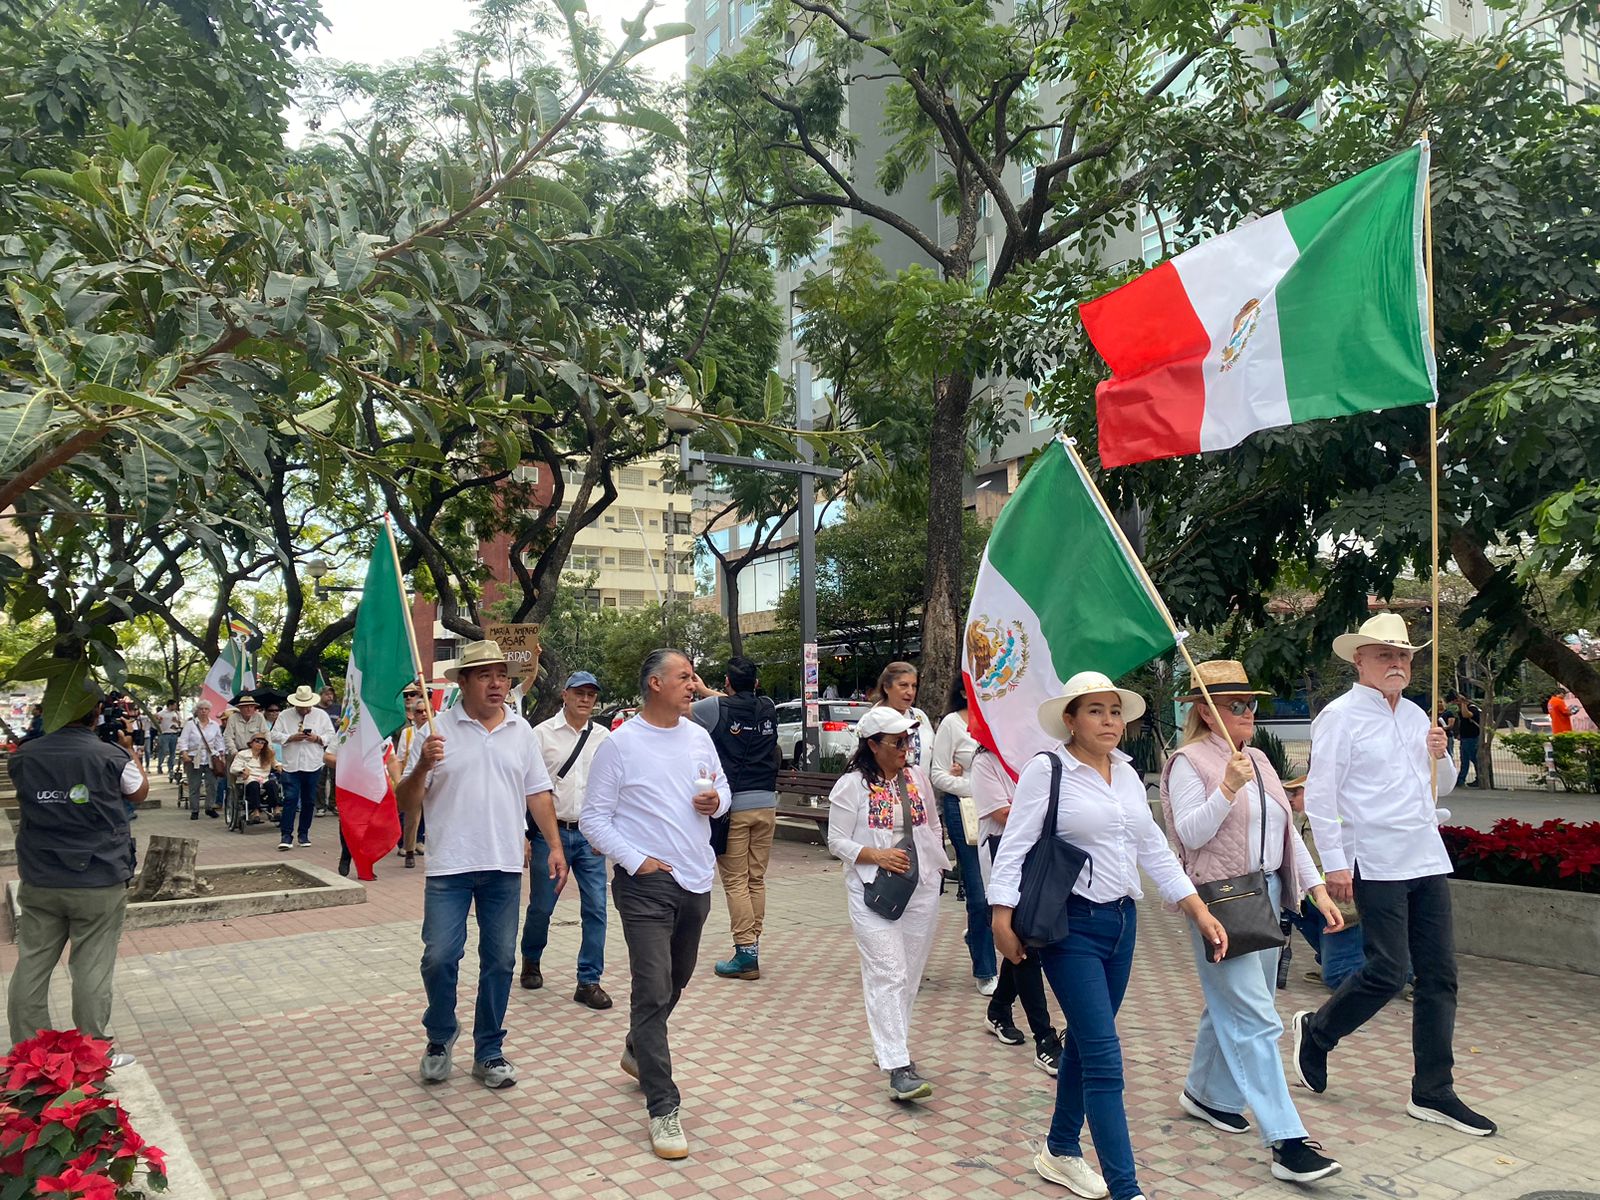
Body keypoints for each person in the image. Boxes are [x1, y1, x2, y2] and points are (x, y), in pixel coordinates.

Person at [989, 670, 1229, 1200]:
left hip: (1123, 925)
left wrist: (1196, 908)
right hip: (1069, 927)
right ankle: (1128, 1190)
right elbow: (1016, 844)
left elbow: (1154, 850)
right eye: (1095, 710)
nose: (1109, 721)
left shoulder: (1125, 773)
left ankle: (1059, 1149)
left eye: (1114, 710)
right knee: (1103, 1056)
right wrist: (1000, 915)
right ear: (1070, 720)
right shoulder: (1048, 771)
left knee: (1084, 1042)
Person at [1294, 614, 1495, 1137]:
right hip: (1376, 860)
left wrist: (1441, 754)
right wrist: (1334, 864)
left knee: (1439, 976)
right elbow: (1320, 794)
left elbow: (1440, 789)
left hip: (1425, 855)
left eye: (1403, 655)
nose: (1397, 663)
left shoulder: (1416, 717)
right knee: (1388, 970)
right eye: (1384, 654)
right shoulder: (1339, 716)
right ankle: (1317, 1033)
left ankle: (1433, 1090)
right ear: (1358, 660)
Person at [1160, 660, 1343, 1184]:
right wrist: (1226, 788)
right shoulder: (1187, 762)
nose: (1247, 713)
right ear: (1206, 711)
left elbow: (1285, 831)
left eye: (1251, 703)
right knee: (1257, 1016)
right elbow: (1190, 836)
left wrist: (1314, 889)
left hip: (1264, 895)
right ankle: (1286, 1139)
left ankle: (1205, 1093)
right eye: (1235, 704)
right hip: (1219, 900)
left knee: (1233, 1003)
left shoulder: (1259, 758)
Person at [396, 640, 567, 1091]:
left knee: (500, 960)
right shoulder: (437, 732)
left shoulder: (521, 731)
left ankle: (489, 1050)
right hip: (449, 866)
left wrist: (553, 845)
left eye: (503, 676)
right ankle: (439, 1037)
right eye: (486, 675)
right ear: (464, 683)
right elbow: (406, 801)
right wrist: (421, 768)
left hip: (504, 865)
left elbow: (537, 792)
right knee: (438, 957)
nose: (498, 684)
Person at [580, 649, 730, 1161]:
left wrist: (718, 802)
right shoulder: (619, 745)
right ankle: (663, 1107)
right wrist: (637, 860)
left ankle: (636, 1048)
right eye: (684, 677)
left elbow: (721, 788)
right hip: (645, 885)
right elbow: (594, 819)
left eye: (692, 677)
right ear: (654, 684)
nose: (693, 685)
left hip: (695, 878)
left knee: (677, 979)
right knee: (651, 988)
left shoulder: (698, 737)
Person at [8, 691, 147, 1067]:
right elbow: (138, 792)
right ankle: (93, 1052)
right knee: (91, 966)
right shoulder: (109, 755)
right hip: (98, 876)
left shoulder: (23, 755)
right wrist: (128, 748)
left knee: (33, 962)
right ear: (97, 712)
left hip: (40, 875)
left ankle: (27, 1052)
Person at [825, 707, 950, 1103]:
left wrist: (935, 866)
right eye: (897, 742)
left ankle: (892, 1048)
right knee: (888, 972)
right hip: (872, 889)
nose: (905, 748)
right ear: (873, 744)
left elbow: (932, 824)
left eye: (908, 740)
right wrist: (876, 856)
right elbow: (836, 841)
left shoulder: (915, 778)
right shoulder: (852, 786)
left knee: (908, 974)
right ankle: (898, 1065)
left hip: (922, 886)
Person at [522, 671, 613, 1009]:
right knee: (542, 906)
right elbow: (526, 788)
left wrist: (608, 830)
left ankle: (588, 980)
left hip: (590, 834)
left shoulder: (604, 737)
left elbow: (612, 788)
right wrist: (525, 834)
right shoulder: (540, 735)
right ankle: (531, 957)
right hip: (550, 833)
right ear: (565, 695)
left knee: (597, 908)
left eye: (592, 693)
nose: (586, 699)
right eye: (579, 693)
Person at [971, 745, 1061, 1075]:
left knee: (1022, 942)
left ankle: (998, 1010)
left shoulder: (1038, 754)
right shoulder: (985, 761)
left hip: (1039, 859)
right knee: (1025, 943)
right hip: (1002, 856)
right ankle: (1044, 1037)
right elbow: (1003, 814)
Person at [690, 655, 780, 982]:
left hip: (735, 808)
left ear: (727, 683)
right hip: (768, 805)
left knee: (735, 880)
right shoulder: (768, 706)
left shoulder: (714, 710)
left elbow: (686, 710)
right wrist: (708, 689)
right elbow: (736, 700)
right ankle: (753, 943)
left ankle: (745, 952)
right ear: (756, 684)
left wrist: (699, 689)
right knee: (756, 877)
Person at [931, 679, 997, 997]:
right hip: (966, 813)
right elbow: (938, 774)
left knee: (1005, 892)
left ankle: (979, 935)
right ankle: (985, 969)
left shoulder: (1000, 719)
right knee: (979, 893)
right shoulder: (952, 724)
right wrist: (975, 786)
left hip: (1004, 813)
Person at [272, 686, 335, 851]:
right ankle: (286, 835)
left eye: (307, 706)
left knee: (309, 801)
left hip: (313, 763)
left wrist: (317, 738)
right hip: (291, 764)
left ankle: (303, 834)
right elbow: (274, 735)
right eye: (301, 706)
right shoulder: (285, 715)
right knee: (290, 798)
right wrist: (290, 737)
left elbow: (331, 735)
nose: (305, 709)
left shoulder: (321, 715)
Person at [389, 692, 432, 867]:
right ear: (413, 715)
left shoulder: (436, 730)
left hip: (432, 781)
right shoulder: (408, 733)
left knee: (428, 817)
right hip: (414, 779)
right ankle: (408, 851)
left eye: (426, 711)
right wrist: (399, 782)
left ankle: (421, 843)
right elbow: (398, 759)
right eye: (419, 712)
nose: (423, 714)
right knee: (412, 818)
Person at [870, 662, 936, 771]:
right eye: (903, 685)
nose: (910, 692)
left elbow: (934, 757)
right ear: (886, 687)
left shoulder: (920, 716)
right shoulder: (871, 720)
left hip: (920, 786)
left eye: (914, 686)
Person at [177, 700, 226, 819]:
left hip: (210, 756)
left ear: (209, 711)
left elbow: (219, 740)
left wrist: (222, 755)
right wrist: (184, 752)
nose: (203, 711)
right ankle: (195, 810)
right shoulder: (190, 724)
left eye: (206, 709)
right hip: (194, 756)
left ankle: (209, 807)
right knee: (195, 784)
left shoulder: (214, 725)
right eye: (201, 709)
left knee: (212, 784)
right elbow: (183, 739)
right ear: (197, 711)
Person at [229, 732, 280, 824]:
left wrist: (278, 767)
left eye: (262, 742)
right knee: (254, 785)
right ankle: (255, 813)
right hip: (249, 779)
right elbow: (233, 768)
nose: (260, 744)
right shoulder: (242, 754)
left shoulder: (267, 754)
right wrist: (242, 770)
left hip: (264, 779)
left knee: (272, 784)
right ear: (251, 743)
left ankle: (276, 810)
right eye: (257, 741)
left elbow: (276, 763)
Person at [1452, 693, 1483, 788]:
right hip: (1465, 737)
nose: (1456, 702)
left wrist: (1463, 703)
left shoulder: (1473, 708)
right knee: (1464, 760)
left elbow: (1466, 715)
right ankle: (1461, 780)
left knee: (1474, 758)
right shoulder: (1461, 709)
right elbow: (1463, 722)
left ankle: (1480, 779)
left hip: (1472, 737)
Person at [156, 701, 183, 779]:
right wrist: (159, 720)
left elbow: (180, 723)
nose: (175, 707)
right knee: (164, 751)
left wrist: (177, 721)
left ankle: (170, 768)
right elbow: (156, 722)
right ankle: (160, 765)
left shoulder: (177, 713)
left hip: (174, 734)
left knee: (172, 752)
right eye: (174, 705)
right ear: (169, 705)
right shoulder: (161, 713)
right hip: (165, 734)